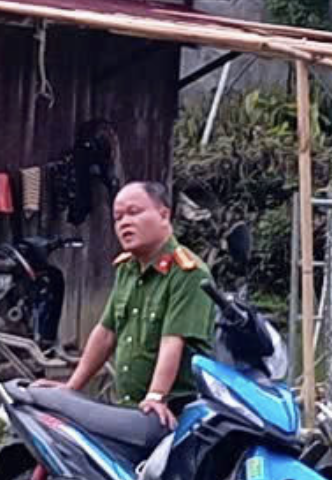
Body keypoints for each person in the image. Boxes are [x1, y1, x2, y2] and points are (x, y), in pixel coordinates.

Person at [62, 179, 216, 427]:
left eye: (134, 213)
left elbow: (172, 340)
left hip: (174, 412)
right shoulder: (127, 268)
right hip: (128, 407)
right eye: (118, 217)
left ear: (164, 215)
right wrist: (70, 389)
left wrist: (156, 396)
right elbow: (105, 333)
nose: (124, 223)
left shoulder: (189, 272)